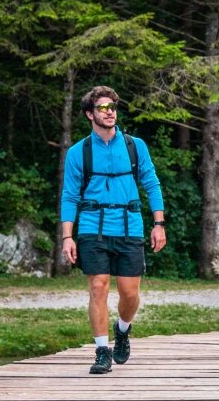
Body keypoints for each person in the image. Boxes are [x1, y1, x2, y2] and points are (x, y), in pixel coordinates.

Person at [58, 86, 166, 375]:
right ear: (89, 114)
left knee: (129, 294)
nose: (109, 112)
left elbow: (152, 183)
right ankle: (102, 351)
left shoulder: (135, 146)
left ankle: (123, 329)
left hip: (130, 225)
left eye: (112, 107)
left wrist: (159, 224)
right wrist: (67, 236)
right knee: (98, 286)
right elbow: (69, 195)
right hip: (92, 226)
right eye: (103, 108)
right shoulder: (78, 152)